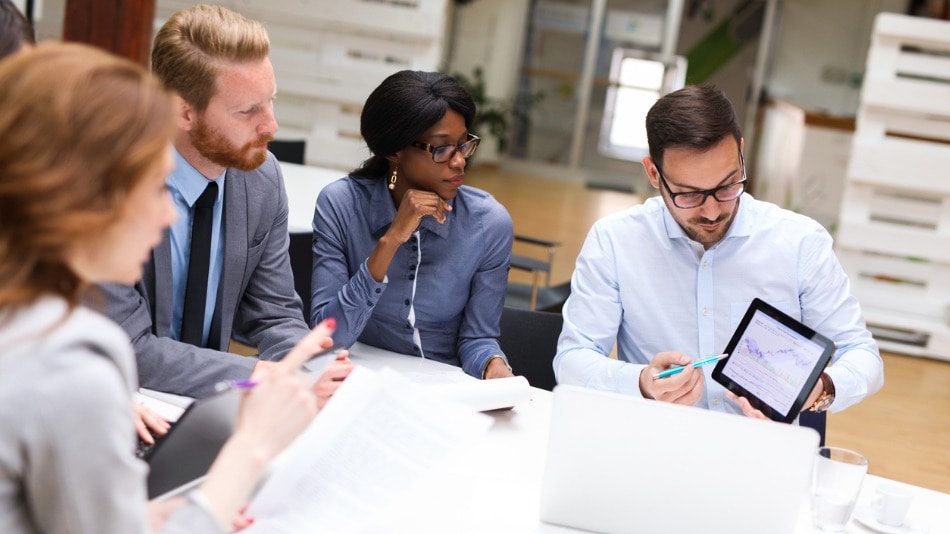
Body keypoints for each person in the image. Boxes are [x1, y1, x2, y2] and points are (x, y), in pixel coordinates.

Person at [0, 41, 333, 533]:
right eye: (153, 188)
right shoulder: (72, 368)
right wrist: (250, 451)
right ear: (84, 197)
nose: (170, 212)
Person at [554, 85, 883, 418]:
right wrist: (641, 382)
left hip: (763, 452)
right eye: (689, 195)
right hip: (656, 442)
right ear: (654, 173)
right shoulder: (615, 241)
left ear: (741, 154)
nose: (711, 212)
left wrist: (819, 388)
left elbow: (862, 354)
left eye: (727, 186)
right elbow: (571, 360)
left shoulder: (801, 244)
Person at [98, 4, 351, 399]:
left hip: (210, 402)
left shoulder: (262, 179)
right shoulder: (110, 186)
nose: (271, 125)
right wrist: (263, 377)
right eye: (248, 110)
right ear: (185, 112)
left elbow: (275, 312)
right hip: (119, 403)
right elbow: (127, 348)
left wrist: (309, 368)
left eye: (271, 100)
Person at [310, 70, 515, 380]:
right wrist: (391, 240)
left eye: (463, 145)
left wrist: (495, 368)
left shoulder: (488, 224)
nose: (459, 161)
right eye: (441, 148)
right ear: (395, 150)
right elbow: (326, 338)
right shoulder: (340, 205)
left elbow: (478, 340)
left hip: (441, 390)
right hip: (355, 381)